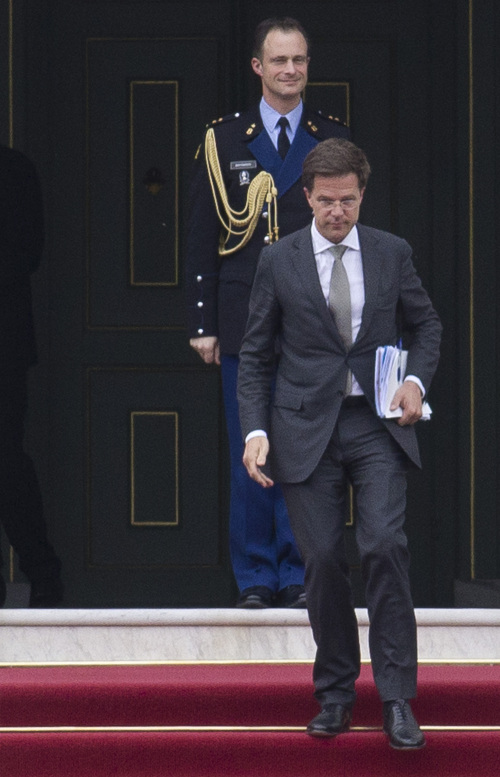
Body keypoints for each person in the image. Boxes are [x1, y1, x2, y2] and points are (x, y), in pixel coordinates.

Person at [238, 138, 441, 748]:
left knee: (383, 545)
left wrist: (413, 381)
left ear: (361, 194)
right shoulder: (279, 260)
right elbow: (254, 353)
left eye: (347, 201)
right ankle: (335, 695)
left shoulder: (391, 252)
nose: (337, 212)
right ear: (307, 197)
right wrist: (254, 431)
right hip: (304, 428)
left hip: (376, 424)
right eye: (326, 202)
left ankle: (398, 699)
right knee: (322, 561)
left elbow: (426, 323)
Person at [186, 17, 350, 609]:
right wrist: (203, 321)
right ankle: (256, 576)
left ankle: (300, 571)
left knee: (307, 451)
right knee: (249, 449)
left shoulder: (329, 137)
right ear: (258, 66)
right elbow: (203, 233)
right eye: (279, 61)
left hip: (311, 321)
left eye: (299, 60)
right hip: (242, 316)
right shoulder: (224, 139)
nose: (290, 71)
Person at [0, 144, 63, 608]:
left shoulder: (13, 168)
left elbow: (27, 251)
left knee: (6, 460)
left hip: (3, 342)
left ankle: (42, 572)